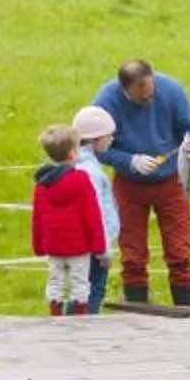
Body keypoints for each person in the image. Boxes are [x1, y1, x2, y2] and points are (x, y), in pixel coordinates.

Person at [84, 57, 190, 306]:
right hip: (129, 185)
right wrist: (129, 161)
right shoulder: (106, 101)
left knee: (180, 252)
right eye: (141, 97)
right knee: (132, 256)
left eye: (151, 92)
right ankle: (137, 318)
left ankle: (186, 316)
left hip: (172, 182)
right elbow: (93, 145)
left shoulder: (172, 90)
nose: (148, 99)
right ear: (124, 89)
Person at [29, 123, 101, 317]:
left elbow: (37, 219)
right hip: (79, 246)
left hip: (54, 246)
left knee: (55, 281)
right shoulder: (81, 180)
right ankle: (79, 316)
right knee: (80, 282)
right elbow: (92, 215)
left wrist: (38, 245)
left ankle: (55, 314)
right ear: (72, 153)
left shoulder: (42, 184)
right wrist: (99, 246)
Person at [70, 104, 122, 312]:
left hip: (87, 243)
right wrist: (104, 251)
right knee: (93, 291)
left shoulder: (80, 165)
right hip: (95, 245)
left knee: (81, 290)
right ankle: (82, 332)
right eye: (108, 136)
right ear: (95, 140)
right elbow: (97, 212)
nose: (111, 140)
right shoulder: (90, 171)